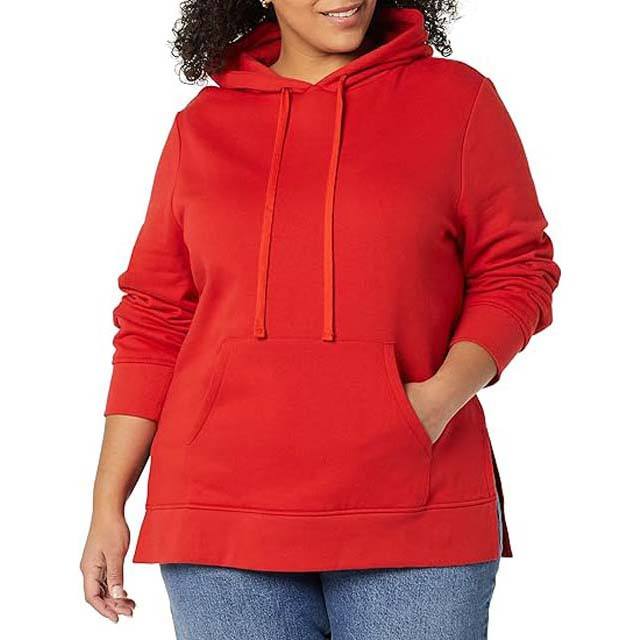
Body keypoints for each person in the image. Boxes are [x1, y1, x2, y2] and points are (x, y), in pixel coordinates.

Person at [80, 1, 561, 637]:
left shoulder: (458, 101)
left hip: (413, 503)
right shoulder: (201, 125)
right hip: (221, 515)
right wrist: (107, 503)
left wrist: (435, 402)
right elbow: (155, 317)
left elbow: (517, 269)